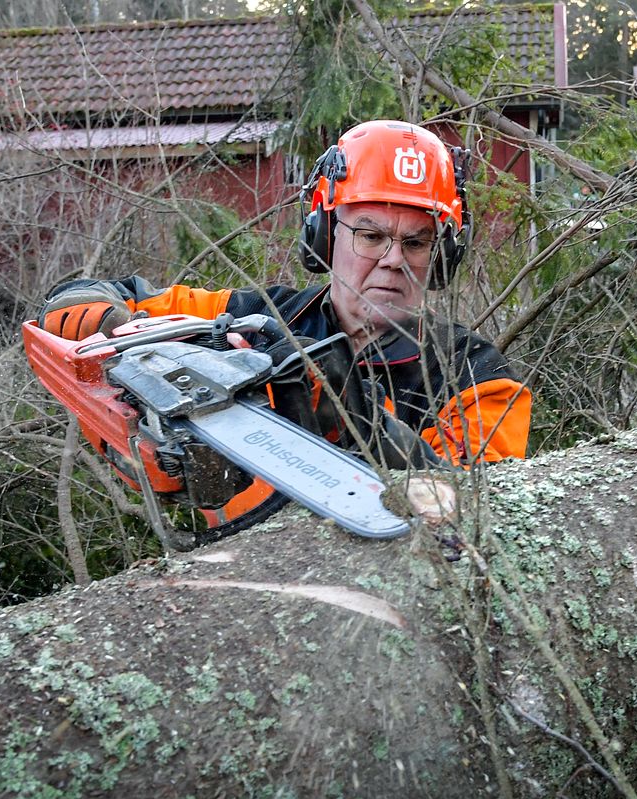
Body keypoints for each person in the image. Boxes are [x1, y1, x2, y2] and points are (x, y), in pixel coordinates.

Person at [36, 120, 531, 526]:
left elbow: (477, 508)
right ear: (323, 234)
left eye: (416, 242)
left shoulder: (477, 374)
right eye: (370, 235)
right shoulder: (262, 316)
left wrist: (350, 421)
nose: (392, 260)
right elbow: (121, 296)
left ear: (441, 254)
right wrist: (94, 310)